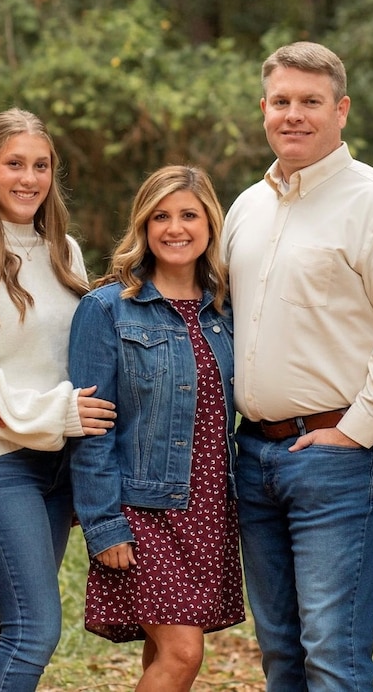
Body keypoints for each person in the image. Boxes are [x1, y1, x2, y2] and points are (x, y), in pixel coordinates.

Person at [224, 41, 373, 691]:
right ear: (264, 108)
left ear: (341, 109)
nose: (294, 114)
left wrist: (355, 432)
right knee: (281, 655)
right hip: (255, 457)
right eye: (283, 101)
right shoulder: (246, 207)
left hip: (340, 457)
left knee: (333, 653)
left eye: (311, 102)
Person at [0, 108, 117, 692]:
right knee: (34, 630)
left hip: (55, 465)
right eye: (15, 164)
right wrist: (62, 413)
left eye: (41, 165)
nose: (28, 178)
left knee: (5, 630)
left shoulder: (64, 251)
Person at [68, 165, 244, 692]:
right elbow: (90, 426)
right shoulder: (105, 310)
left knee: (164, 650)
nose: (175, 228)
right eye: (160, 216)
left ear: (209, 223)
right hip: (142, 508)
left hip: (209, 506)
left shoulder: (226, 311)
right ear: (143, 227)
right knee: (183, 653)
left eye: (189, 214)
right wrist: (103, 523)